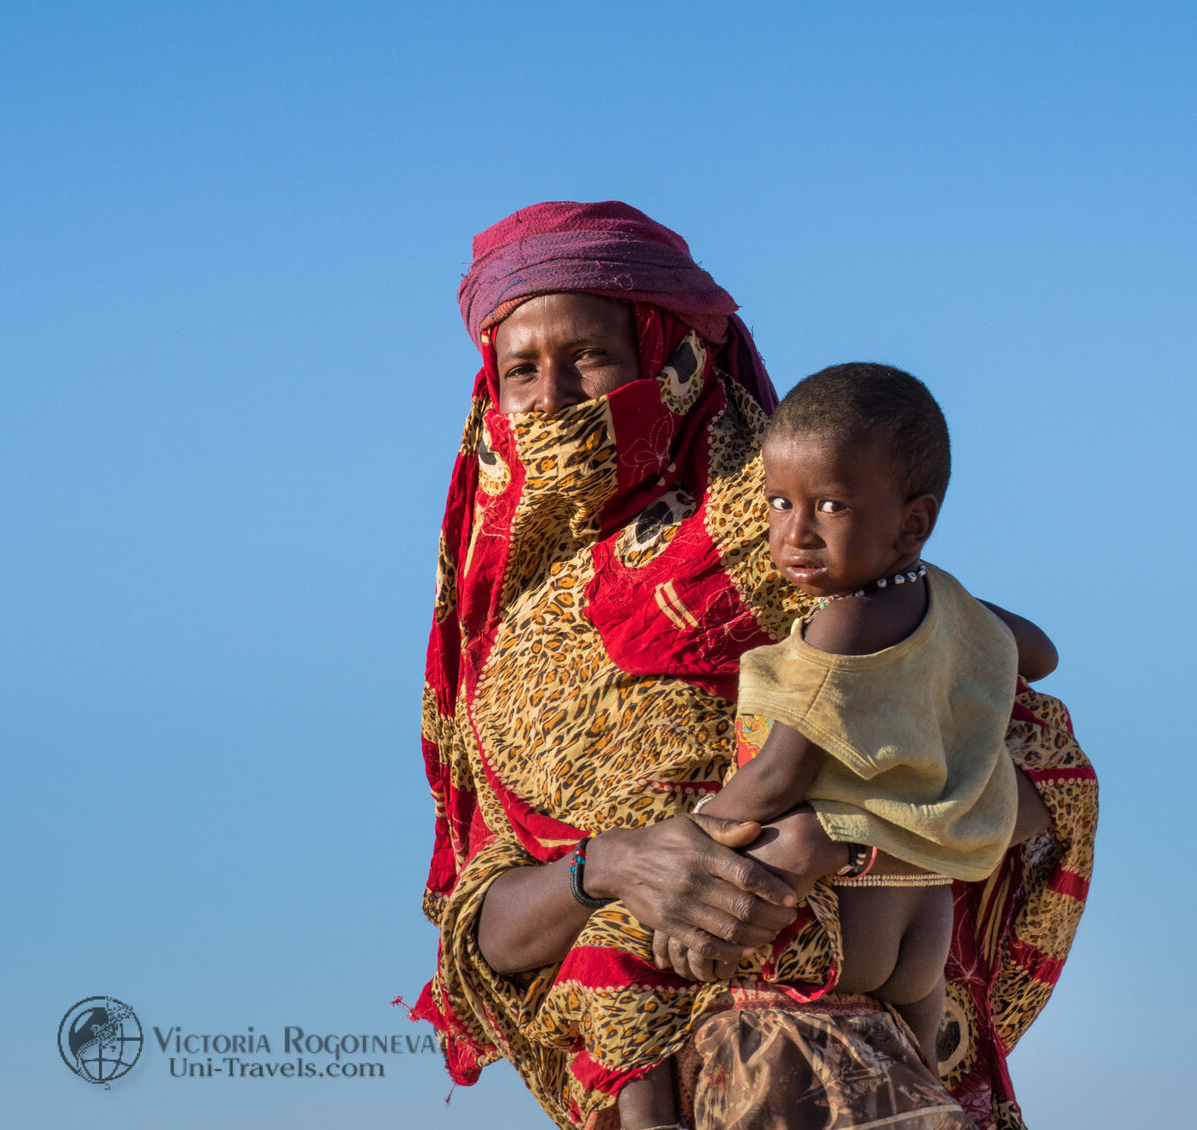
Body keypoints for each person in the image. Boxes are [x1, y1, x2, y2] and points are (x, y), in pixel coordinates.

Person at [409, 201, 1097, 1130]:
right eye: (520, 369)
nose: (554, 397)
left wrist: (841, 835)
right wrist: (608, 868)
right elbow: (487, 930)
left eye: (591, 358)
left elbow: (1038, 767)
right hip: (646, 1074)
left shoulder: (792, 541)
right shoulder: (505, 628)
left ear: (675, 358)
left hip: (824, 1066)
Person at [615, 363, 1049, 1130]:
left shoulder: (840, 624)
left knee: (627, 951)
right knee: (908, 1093)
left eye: (831, 507)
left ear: (913, 521)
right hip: (920, 929)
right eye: (780, 503)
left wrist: (689, 839)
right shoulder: (941, 602)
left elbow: (781, 773)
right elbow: (1037, 652)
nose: (794, 534)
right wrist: (947, 650)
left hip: (841, 920)